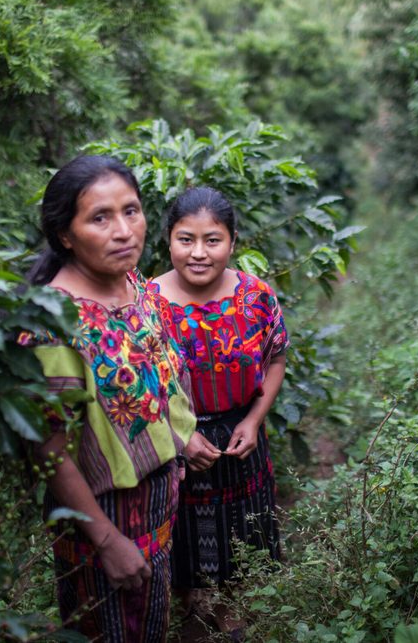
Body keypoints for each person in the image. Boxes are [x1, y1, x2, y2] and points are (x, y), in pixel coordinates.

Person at [17, 155, 196, 642]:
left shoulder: (134, 284)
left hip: (159, 501)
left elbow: (161, 372)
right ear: (65, 235)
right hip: (105, 518)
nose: (123, 231)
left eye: (131, 211)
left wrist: (183, 442)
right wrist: (106, 539)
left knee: (150, 625)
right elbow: (47, 447)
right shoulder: (53, 325)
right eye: (100, 218)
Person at [148, 187, 288, 630]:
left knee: (242, 536)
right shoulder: (145, 304)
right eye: (185, 239)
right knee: (181, 538)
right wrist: (181, 437)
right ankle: (188, 616)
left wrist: (253, 420)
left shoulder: (256, 296)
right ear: (168, 240)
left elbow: (276, 357)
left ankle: (232, 617)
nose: (198, 253)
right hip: (171, 447)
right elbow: (137, 386)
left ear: (232, 241)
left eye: (212, 240)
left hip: (240, 440)